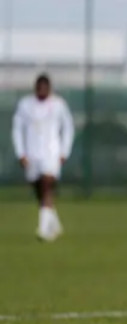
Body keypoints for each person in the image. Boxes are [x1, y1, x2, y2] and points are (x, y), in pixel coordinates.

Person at [11, 73, 74, 241]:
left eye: (45, 88)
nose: (42, 91)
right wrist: (21, 153)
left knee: (47, 185)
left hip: (51, 153)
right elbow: (17, 129)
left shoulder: (59, 105)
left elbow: (68, 128)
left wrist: (64, 152)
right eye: (39, 88)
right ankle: (54, 224)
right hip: (32, 154)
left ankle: (43, 229)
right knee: (39, 190)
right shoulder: (25, 105)